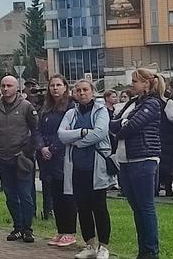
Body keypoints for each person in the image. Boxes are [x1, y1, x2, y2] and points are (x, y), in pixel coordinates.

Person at [111, 69, 165, 259]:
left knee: (145, 206)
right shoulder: (134, 103)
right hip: (126, 159)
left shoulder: (152, 103)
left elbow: (131, 127)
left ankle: (151, 250)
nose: (132, 84)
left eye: (136, 81)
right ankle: (143, 249)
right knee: (136, 207)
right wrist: (123, 123)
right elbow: (114, 123)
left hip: (143, 158)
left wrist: (123, 125)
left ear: (147, 83)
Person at [59, 79, 114, 259]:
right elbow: (61, 135)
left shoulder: (101, 111)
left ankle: (103, 247)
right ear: (74, 93)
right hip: (77, 168)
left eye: (85, 90)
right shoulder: (70, 113)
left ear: (92, 92)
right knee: (82, 207)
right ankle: (89, 245)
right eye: (78, 90)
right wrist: (82, 132)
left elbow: (100, 132)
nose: (82, 93)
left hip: (96, 167)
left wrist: (76, 141)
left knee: (99, 207)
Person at [0, 75, 42, 243]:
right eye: (3, 85)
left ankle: (28, 228)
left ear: (16, 88)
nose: (5, 88)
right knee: (10, 196)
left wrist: (27, 151)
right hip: (3, 158)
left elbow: (36, 130)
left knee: (25, 195)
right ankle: (17, 227)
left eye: (9, 85)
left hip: (22, 158)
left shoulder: (26, 107)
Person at [38, 74, 77, 248]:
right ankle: (61, 230)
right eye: (52, 85)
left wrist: (52, 149)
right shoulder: (45, 108)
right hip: (46, 157)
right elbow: (37, 130)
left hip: (63, 156)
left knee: (66, 194)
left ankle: (70, 231)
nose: (55, 88)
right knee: (54, 193)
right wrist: (42, 147)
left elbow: (67, 132)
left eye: (58, 85)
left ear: (65, 87)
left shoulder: (70, 108)